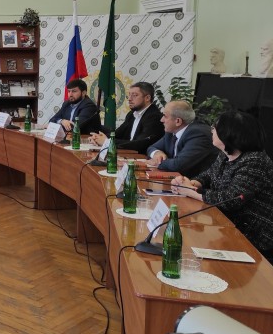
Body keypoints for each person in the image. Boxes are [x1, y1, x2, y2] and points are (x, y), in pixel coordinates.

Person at [171, 111, 273, 262]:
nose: (211, 130)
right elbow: (209, 175)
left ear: (229, 133)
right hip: (225, 226)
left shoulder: (255, 161)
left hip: (252, 236)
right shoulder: (226, 153)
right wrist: (193, 182)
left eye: (215, 127)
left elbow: (231, 199)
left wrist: (190, 191)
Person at [146, 100, 219, 177]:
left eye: (165, 116)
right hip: (175, 178)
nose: (161, 120)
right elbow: (152, 148)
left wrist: (157, 162)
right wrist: (157, 153)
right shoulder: (171, 131)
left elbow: (178, 165)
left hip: (193, 181)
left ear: (178, 121)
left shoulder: (198, 134)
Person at [88, 82, 164, 154]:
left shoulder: (154, 117)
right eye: (129, 95)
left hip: (143, 157)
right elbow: (118, 133)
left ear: (147, 98)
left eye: (134, 95)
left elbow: (140, 144)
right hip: (128, 154)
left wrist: (108, 142)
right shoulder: (132, 114)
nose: (129, 99)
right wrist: (97, 138)